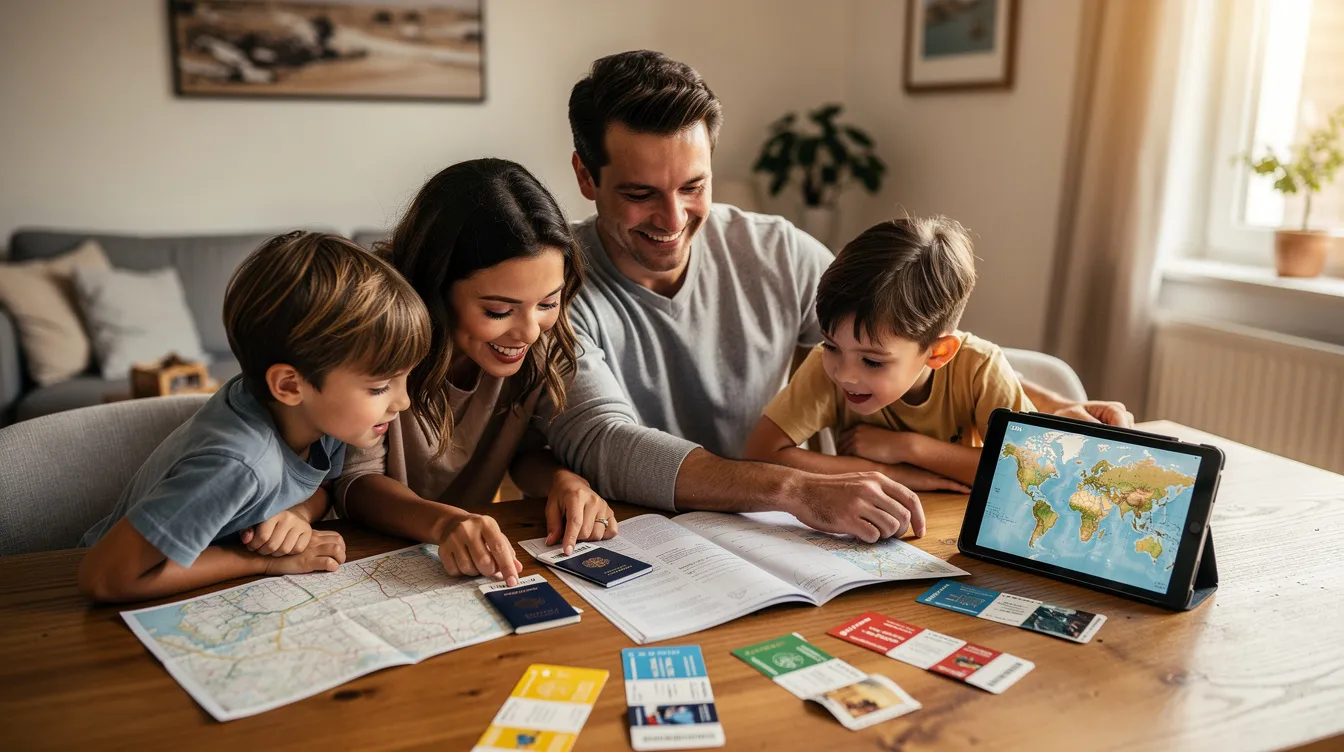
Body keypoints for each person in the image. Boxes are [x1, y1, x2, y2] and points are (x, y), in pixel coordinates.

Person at [538, 50, 1133, 542]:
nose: (673, 218)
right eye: (641, 193)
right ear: (586, 177)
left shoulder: (774, 251)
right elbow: (608, 444)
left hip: (787, 534)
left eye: (694, 187)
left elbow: (908, 334)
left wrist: (1052, 407)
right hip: (649, 534)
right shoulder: (550, 290)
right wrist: (795, 487)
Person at [77, 232, 429, 602]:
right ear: (289, 385)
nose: (402, 402)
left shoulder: (317, 417)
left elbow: (321, 483)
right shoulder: (239, 464)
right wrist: (259, 562)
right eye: (379, 388)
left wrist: (297, 513)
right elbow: (103, 578)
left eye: (405, 379)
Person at [335, 158, 614, 587]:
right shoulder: (380, 335)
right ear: (436, 288)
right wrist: (446, 524)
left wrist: (563, 481)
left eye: (548, 302)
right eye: (499, 311)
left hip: (459, 564)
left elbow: (522, 452)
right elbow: (355, 483)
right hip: (357, 556)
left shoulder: (541, 341)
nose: (527, 331)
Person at [744, 216, 1031, 487]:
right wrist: (887, 473)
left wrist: (909, 448)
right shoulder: (824, 366)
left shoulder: (980, 368)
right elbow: (760, 453)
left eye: (871, 361)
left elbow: (1027, 472)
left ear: (938, 352)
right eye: (831, 345)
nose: (844, 374)